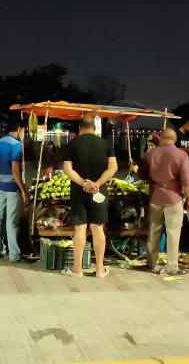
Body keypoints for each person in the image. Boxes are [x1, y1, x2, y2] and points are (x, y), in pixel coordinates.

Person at [60, 116, 118, 278]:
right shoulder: (106, 144)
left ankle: (77, 269)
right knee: (97, 228)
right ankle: (100, 269)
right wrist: (97, 184)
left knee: (80, 228)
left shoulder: (72, 144)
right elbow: (113, 168)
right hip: (99, 193)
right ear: (94, 128)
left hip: (79, 193)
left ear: (80, 128)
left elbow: (67, 169)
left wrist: (84, 184)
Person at [143, 127, 189, 276]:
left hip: (154, 198)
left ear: (161, 138)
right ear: (175, 140)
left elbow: (142, 173)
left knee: (153, 230)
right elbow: (187, 181)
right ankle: (172, 267)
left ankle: (152, 263)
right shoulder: (181, 155)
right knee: (173, 232)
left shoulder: (150, 154)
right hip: (173, 199)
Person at [0, 119, 29, 262]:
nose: (24, 133)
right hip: (12, 188)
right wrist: (24, 191)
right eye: (24, 130)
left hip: (1, 187)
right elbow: (16, 172)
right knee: (11, 222)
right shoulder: (17, 145)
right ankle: (14, 255)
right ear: (19, 129)